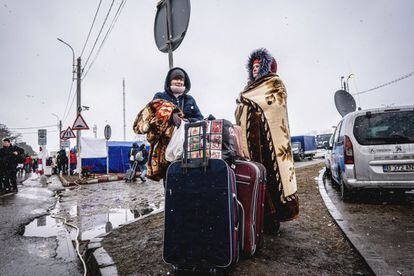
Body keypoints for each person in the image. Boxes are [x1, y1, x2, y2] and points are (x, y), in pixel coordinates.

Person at [235, 48, 299, 234]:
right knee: (256, 177)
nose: (255, 69)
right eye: (253, 66)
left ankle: (272, 220)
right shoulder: (248, 88)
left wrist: (247, 101)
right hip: (252, 142)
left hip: (267, 138)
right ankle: (259, 218)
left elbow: (274, 105)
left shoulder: (274, 83)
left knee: (271, 177)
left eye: (258, 66)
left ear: (267, 67)